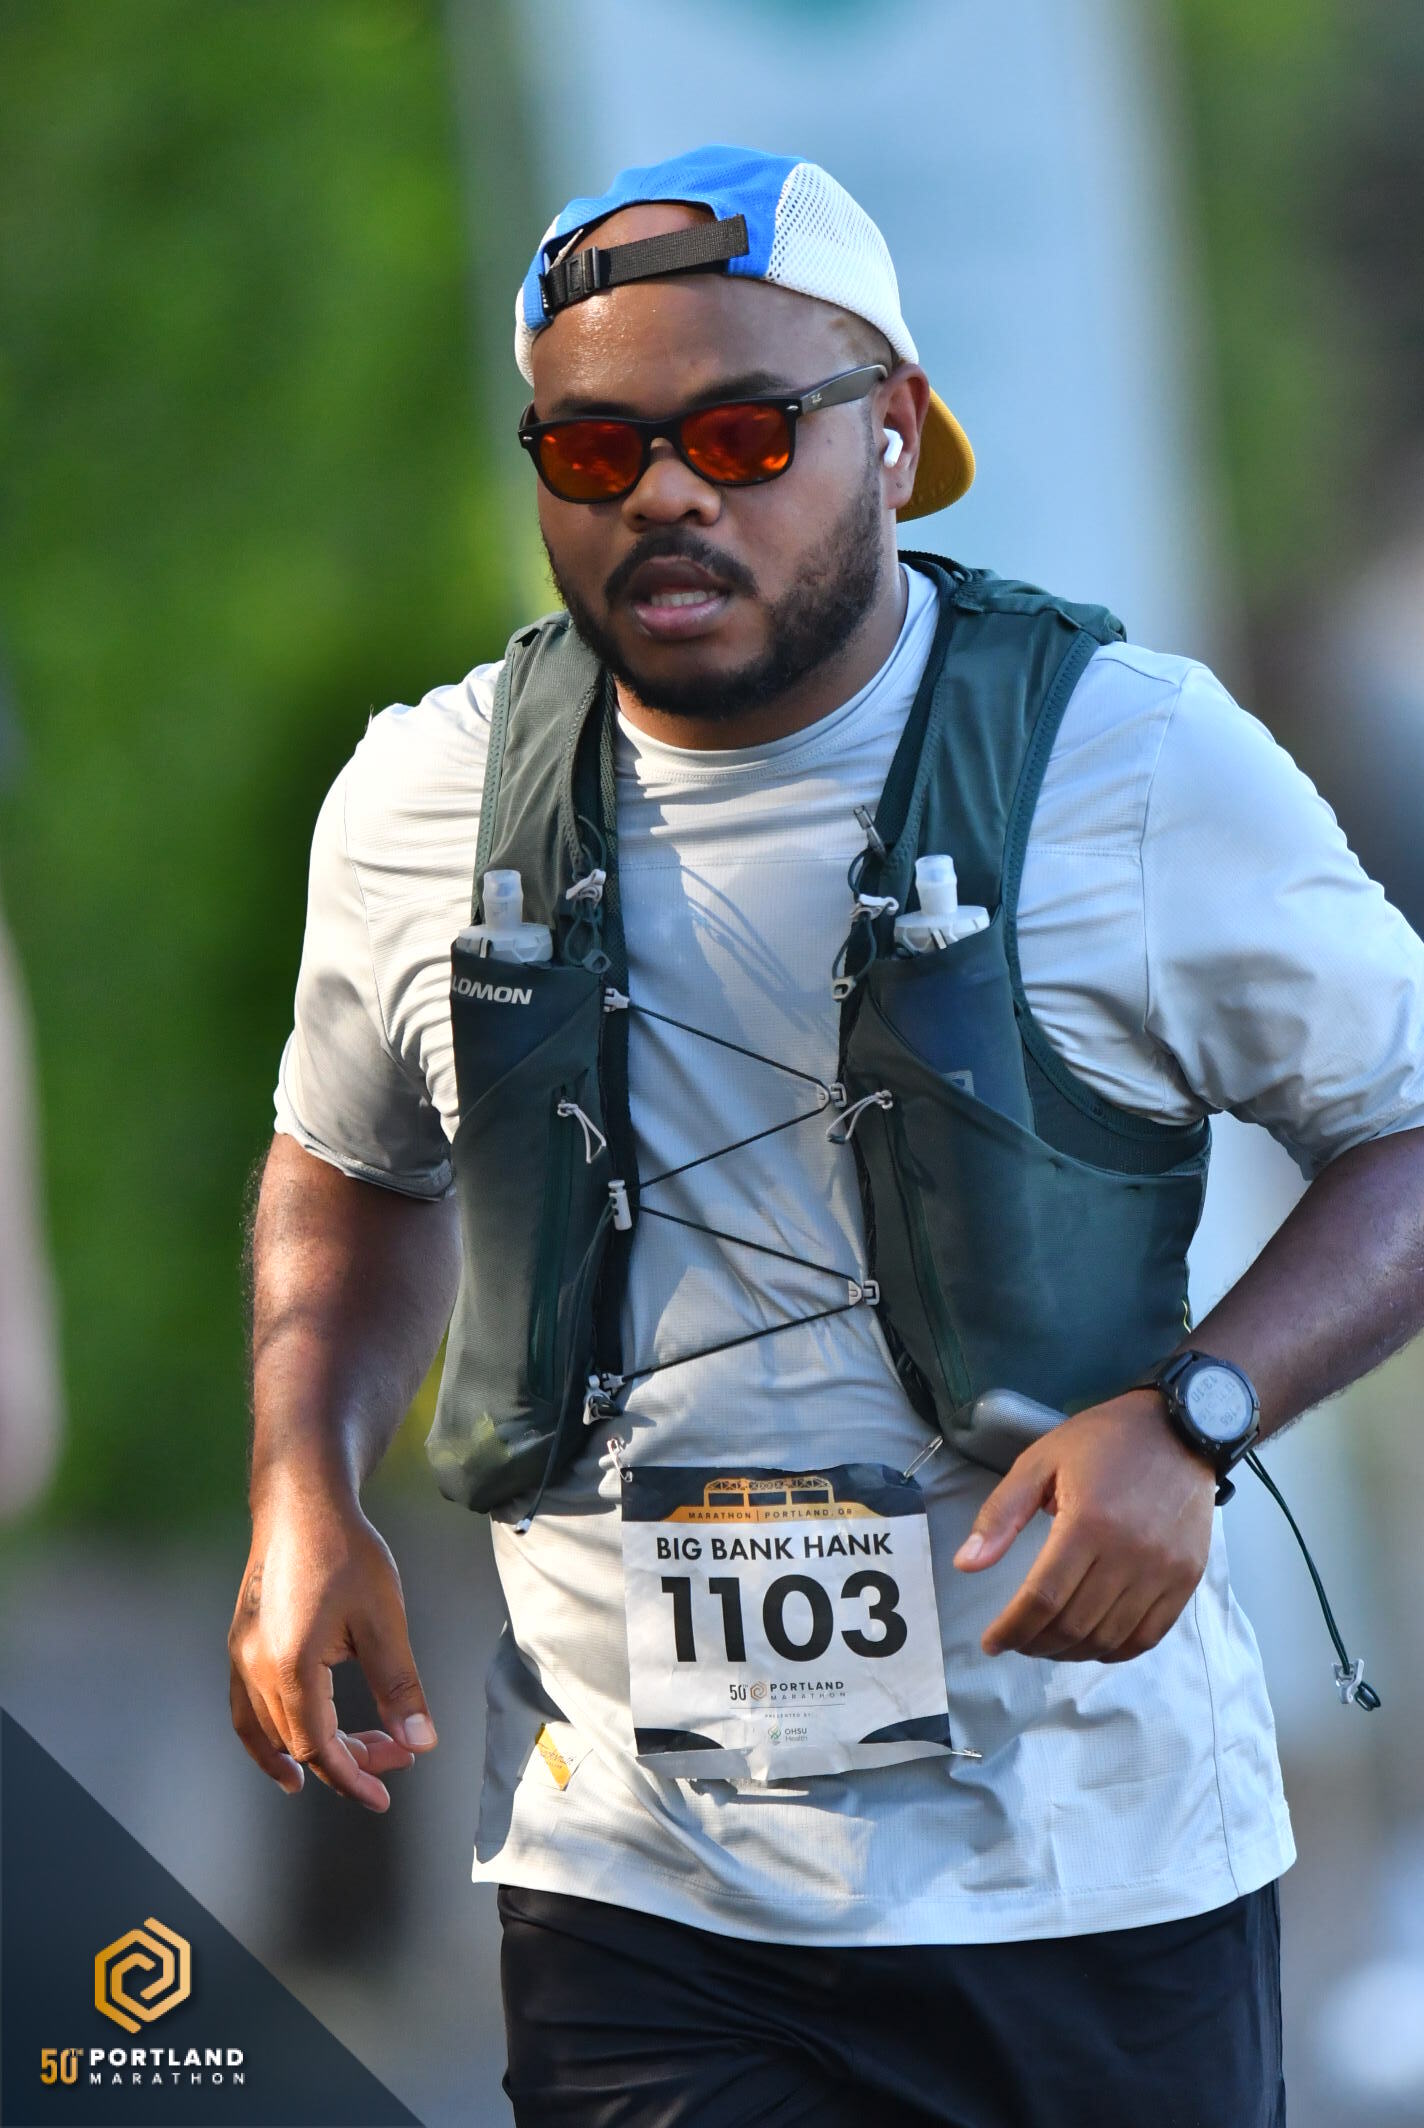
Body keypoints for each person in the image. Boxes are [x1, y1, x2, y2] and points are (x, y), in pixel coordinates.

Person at [229, 146, 1424, 2126]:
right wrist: (303, 1480)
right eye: (594, 449)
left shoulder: (1134, 763)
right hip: (633, 1878)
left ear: (891, 428)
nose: (666, 493)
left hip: (1093, 1872)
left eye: (738, 433)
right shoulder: (419, 798)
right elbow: (348, 1161)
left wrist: (1199, 1414)